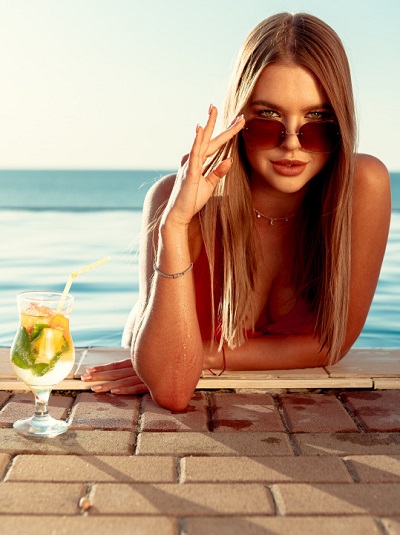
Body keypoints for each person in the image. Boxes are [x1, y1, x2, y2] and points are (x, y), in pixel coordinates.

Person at [81, 12, 391, 410]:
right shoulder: (174, 201)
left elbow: (328, 345)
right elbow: (173, 389)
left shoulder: (361, 186)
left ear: (342, 123)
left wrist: (203, 356)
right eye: (267, 118)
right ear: (239, 120)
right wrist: (175, 225)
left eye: (317, 120)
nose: (292, 144)